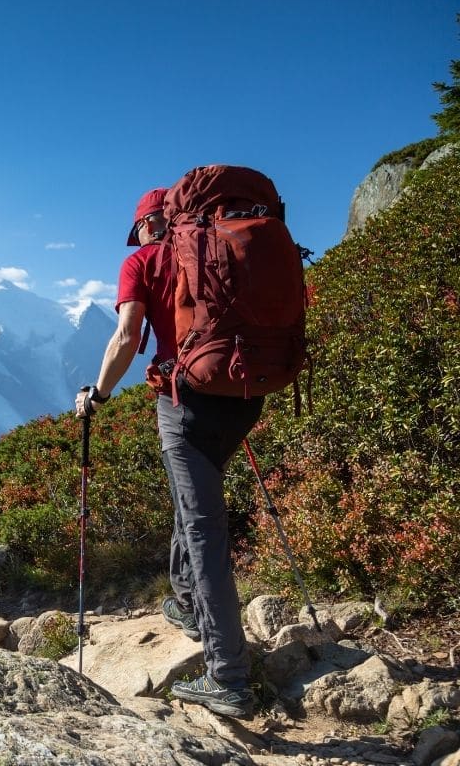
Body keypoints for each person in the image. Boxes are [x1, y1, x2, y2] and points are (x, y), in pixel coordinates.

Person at [75, 187, 263, 719]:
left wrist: (98, 394)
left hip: (186, 401)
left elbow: (127, 335)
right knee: (195, 498)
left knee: (203, 524)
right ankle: (185, 601)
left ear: (145, 227)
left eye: (136, 229)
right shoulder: (218, 249)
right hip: (245, 394)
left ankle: (228, 674)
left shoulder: (141, 260)